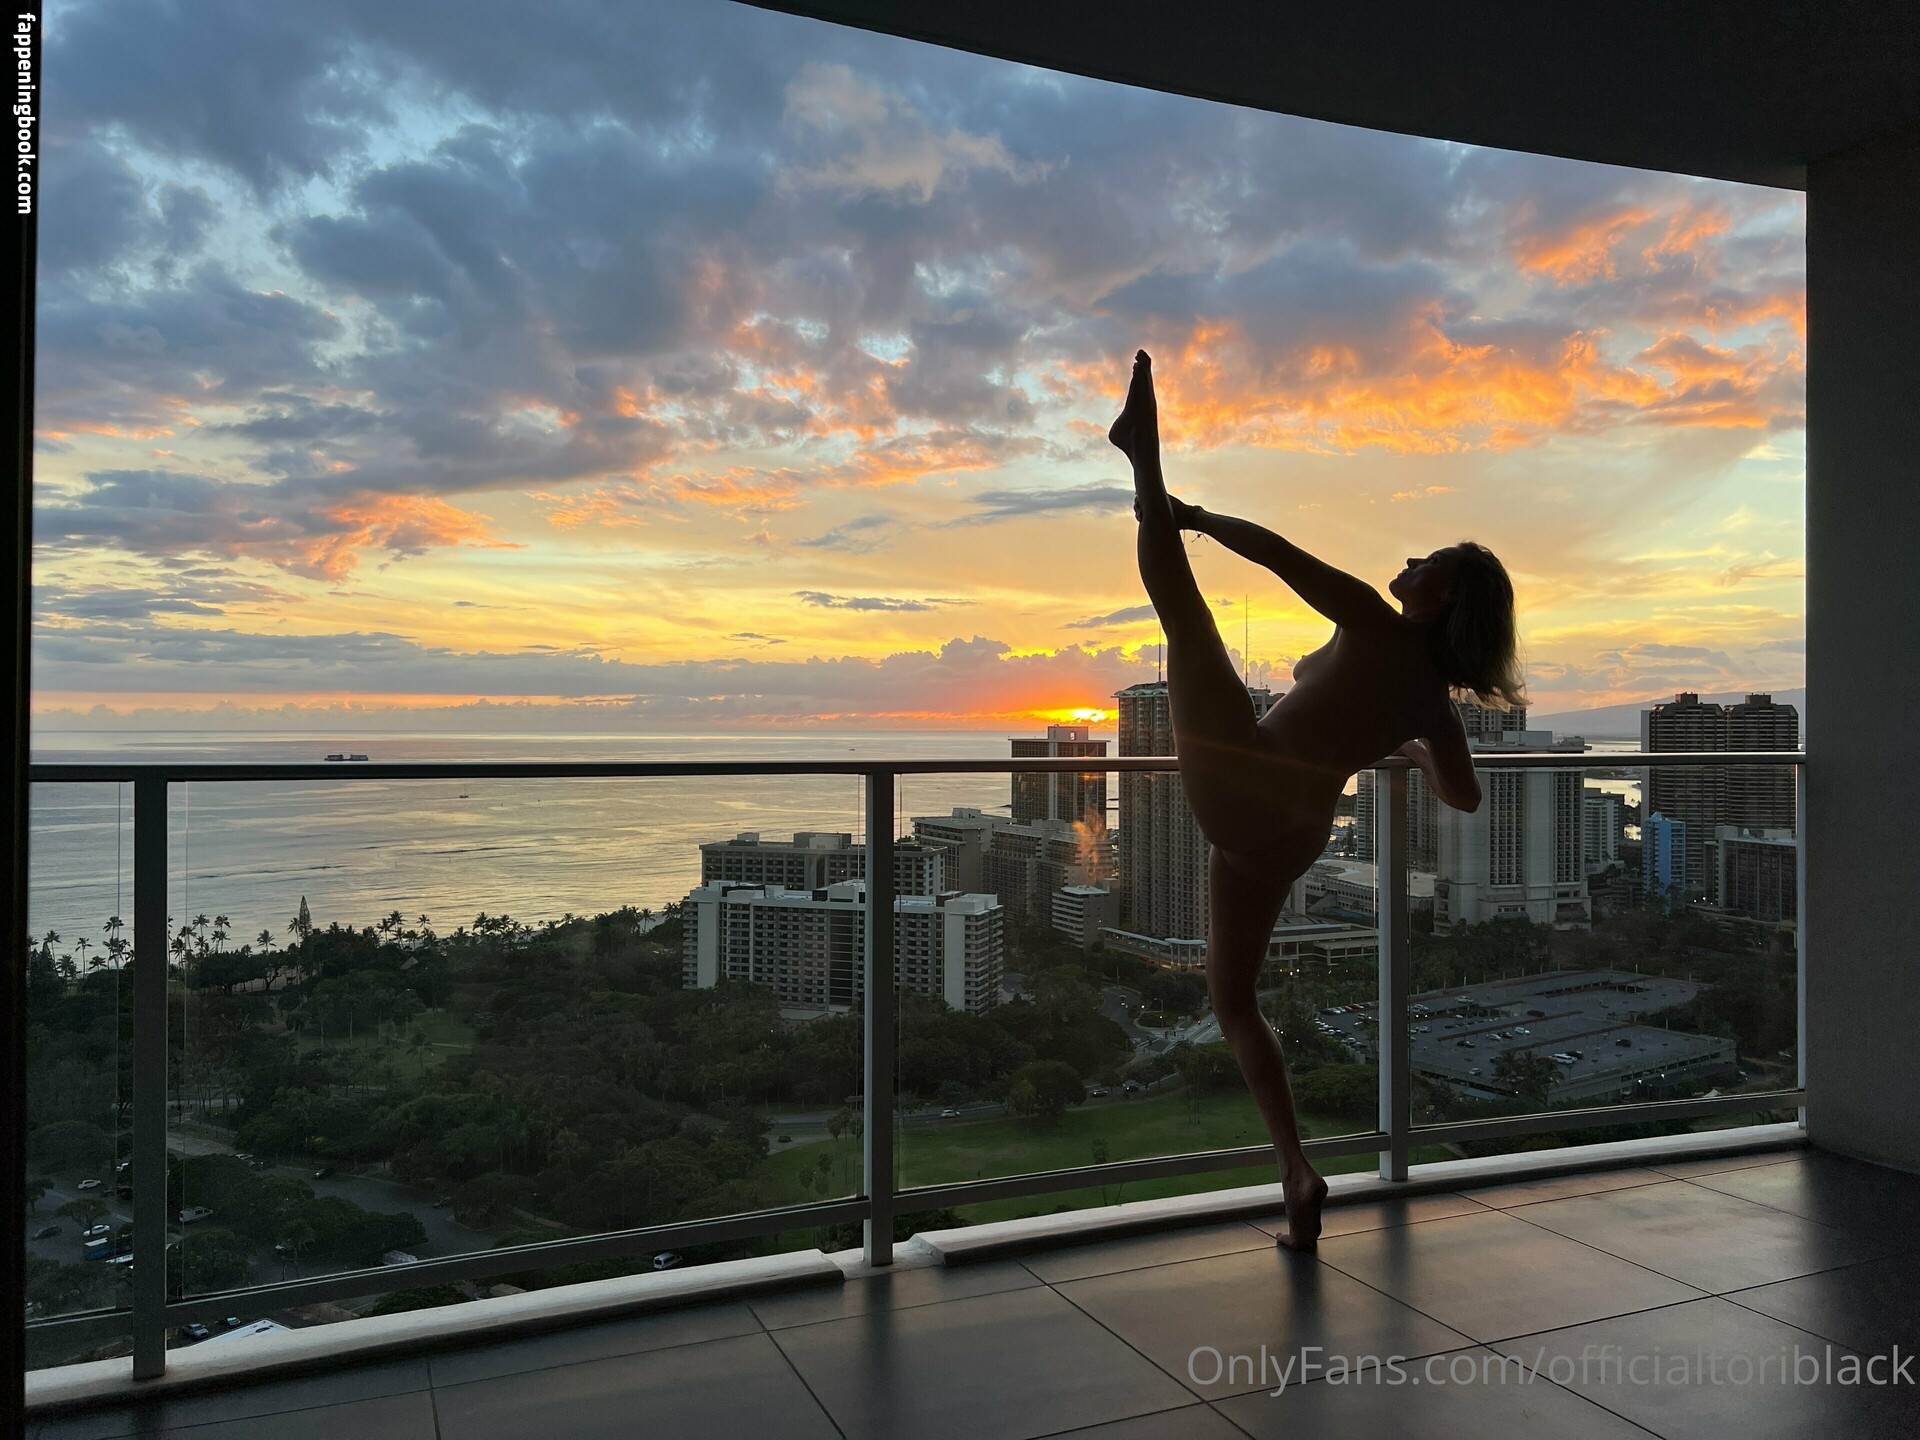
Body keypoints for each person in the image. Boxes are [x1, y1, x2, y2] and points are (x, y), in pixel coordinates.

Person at [1108, 349, 1523, 1248]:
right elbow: (1465, 797)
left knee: (1186, 615)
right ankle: (1294, 1170)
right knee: (1233, 1000)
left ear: (1441, 593)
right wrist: (1410, 750)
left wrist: (1191, 517)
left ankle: (1144, 457)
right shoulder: (1436, 705)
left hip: (1250, 786)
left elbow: (1277, 554)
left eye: (1425, 559)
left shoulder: (1373, 619)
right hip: (1288, 838)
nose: (1408, 560)